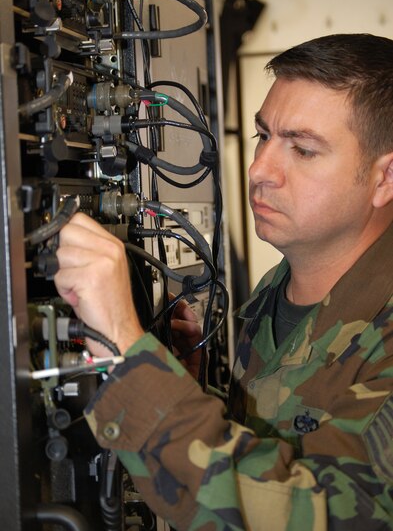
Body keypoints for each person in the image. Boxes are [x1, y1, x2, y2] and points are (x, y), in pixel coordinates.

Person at [54, 34, 393, 530]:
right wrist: (190, 386)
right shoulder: (276, 294)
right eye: (263, 137)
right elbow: (273, 441)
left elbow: (320, 515)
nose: (260, 170)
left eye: (302, 150)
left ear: (384, 180)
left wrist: (129, 358)